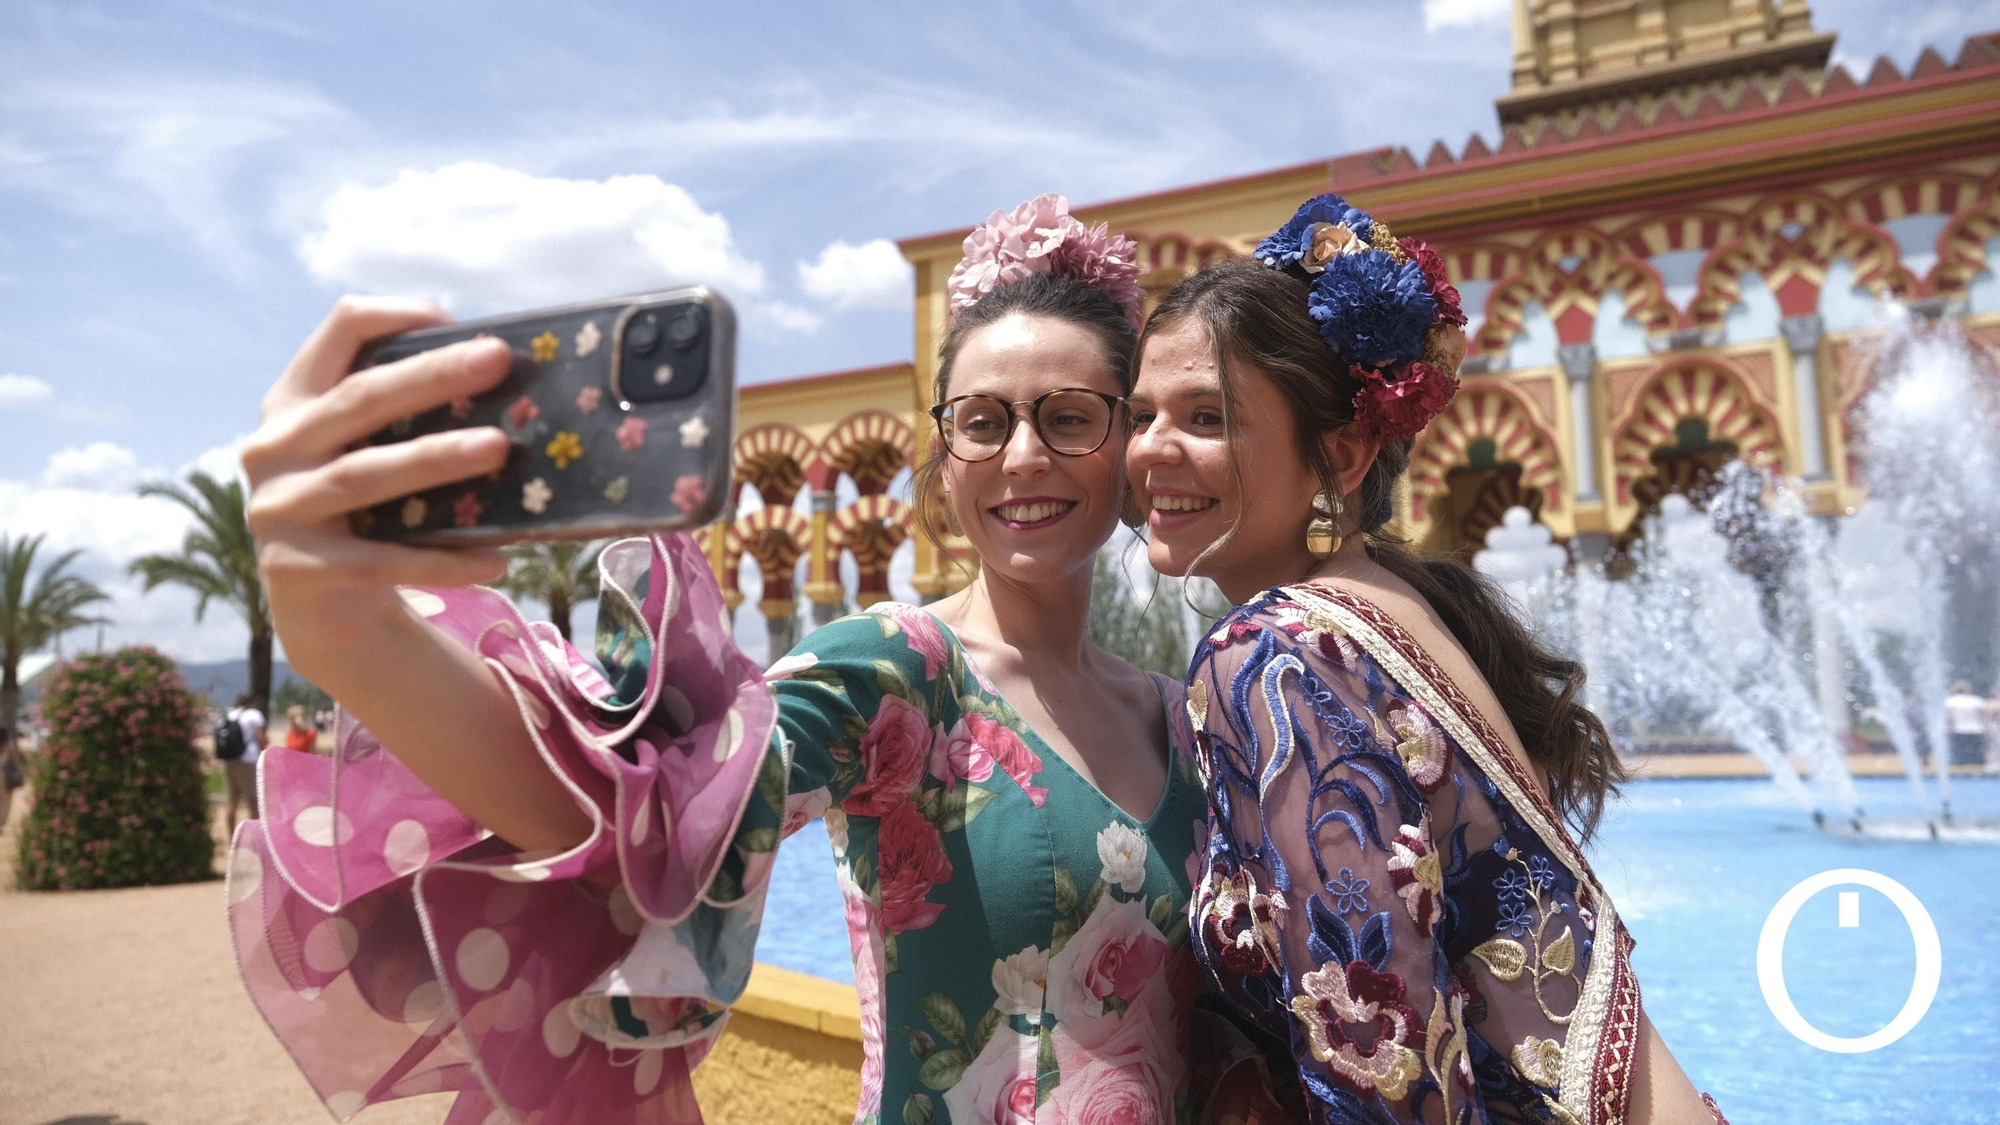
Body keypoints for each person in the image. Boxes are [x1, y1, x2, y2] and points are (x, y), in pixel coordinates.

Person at [227, 193, 1210, 1123]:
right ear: (943, 455)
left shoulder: (1186, 716)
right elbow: (632, 812)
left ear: (1130, 437)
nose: (1023, 456)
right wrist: (352, 633)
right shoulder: (898, 672)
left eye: (1069, 415)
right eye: (982, 421)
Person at [1127, 195, 1728, 1124]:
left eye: (1206, 416)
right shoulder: (1396, 601)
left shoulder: (1272, 653)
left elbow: (1385, 1070)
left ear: (1346, 450)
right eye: (1141, 415)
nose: (1152, 451)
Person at [222, 692, 264, 835]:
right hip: (248, 760)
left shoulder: (231, 714)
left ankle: (231, 838)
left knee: (232, 801)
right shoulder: (254, 714)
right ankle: (254, 839)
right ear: (250, 703)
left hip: (230, 759)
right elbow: (259, 737)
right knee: (253, 801)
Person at [1943, 680, 1989, 768]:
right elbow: (1985, 714)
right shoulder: (1977, 700)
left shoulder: (1950, 701)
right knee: (1977, 758)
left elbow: (1948, 719)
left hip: (1958, 732)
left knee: (1958, 758)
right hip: (1976, 732)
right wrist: (1984, 727)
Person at [0, 732, 24, 834]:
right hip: (4, 775)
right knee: (5, 801)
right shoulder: (9, 746)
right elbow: (15, 762)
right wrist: (19, 771)